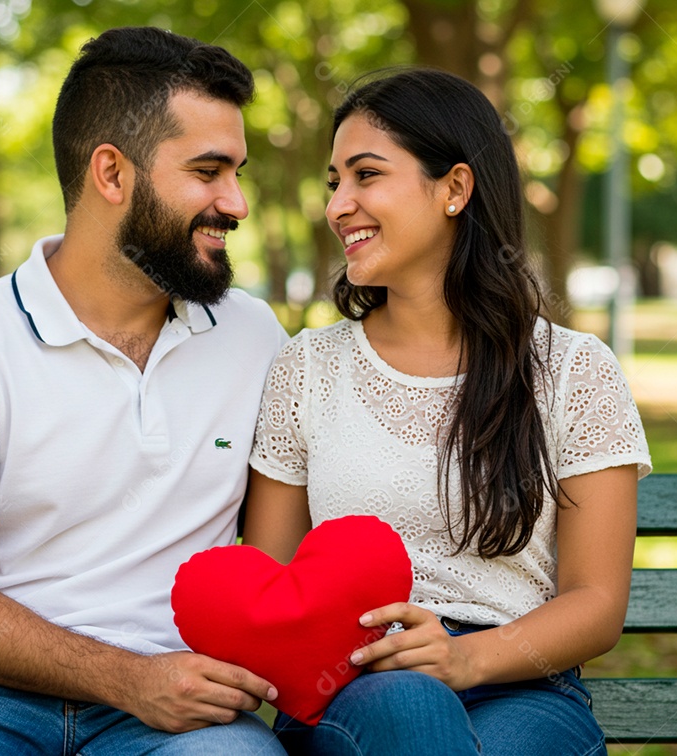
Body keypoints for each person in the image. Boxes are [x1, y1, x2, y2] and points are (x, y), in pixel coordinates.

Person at [0, 27, 289, 755]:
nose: (236, 203)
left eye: (237, 172)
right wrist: (131, 679)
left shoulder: (253, 336)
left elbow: (277, 568)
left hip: (178, 715)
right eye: (208, 171)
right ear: (111, 174)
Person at [243, 67, 652, 755]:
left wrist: (466, 658)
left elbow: (595, 602)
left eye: (366, 175)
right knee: (409, 707)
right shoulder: (308, 367)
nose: (338, 205)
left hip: (522, 687)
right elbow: (269, 584)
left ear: (455, 188)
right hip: (356, 684)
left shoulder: (573, 370)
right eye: (334, 183)